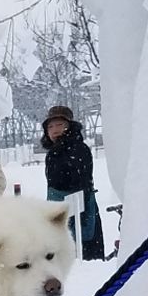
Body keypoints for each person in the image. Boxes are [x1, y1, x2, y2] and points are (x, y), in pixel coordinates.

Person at [41, 105, 104, 261]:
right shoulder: (53, 153)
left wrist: (79, 215)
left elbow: (81, 183)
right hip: (59, 209)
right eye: (50, 126)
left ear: (69, 126)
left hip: (80, 210)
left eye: (59, 125)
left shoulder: (78, 149)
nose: (54, 130)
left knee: (82, 256)